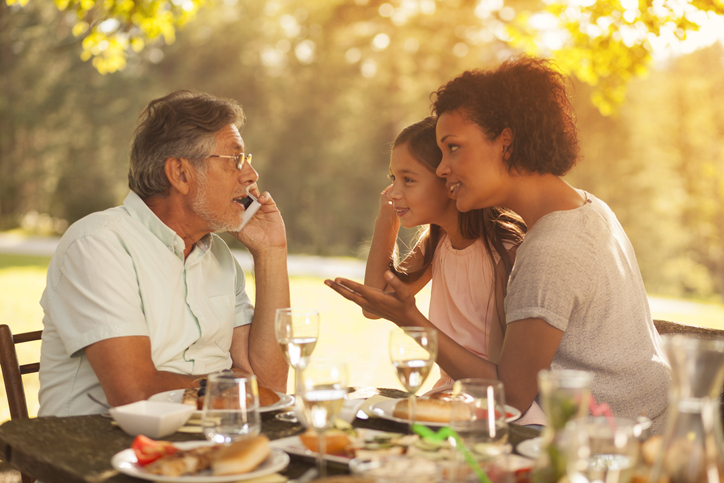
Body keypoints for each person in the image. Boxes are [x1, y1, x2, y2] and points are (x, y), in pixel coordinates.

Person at [326, 56, 670, 434]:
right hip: (625, 424)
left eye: (453, 148)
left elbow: (508, 398)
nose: (442, 169)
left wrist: (411, 319)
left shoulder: (549, 248)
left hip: (606, 445)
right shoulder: (589, 208)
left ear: (505, 142)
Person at [38, 90, 290, 416]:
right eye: (235, 160)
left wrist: (271, 252)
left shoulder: (221, 260)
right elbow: (135, 393)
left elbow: (271, 389)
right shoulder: (97, 245)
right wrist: (237, 385)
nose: (251, 176)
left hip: (206, 442)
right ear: (181, 174)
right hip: (101, 453)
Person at [364, 117, 545, 426]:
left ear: (448, 181)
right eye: (393, 178)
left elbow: (504, 386)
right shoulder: (438, 243)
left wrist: (413, 320)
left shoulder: (504, 252)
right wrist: (386, 220)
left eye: (408, 180)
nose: (393, 192)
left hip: (501, 412)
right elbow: (374, 304)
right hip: (450, 398)